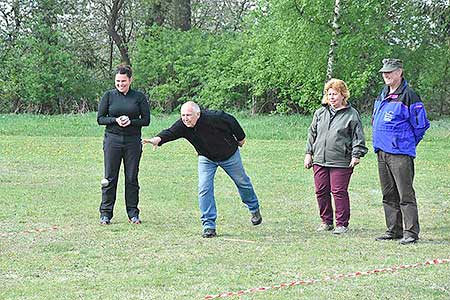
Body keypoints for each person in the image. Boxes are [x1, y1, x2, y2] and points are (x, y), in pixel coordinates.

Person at [143, 101, 262, 238]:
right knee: (204, 188)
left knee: (243, 182)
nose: (185, 118)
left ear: (198, 114)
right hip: (206, 158)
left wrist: (240, 138)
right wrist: (157, 139)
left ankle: (254, 209)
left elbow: (231, 121)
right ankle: (209, 226)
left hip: (229, 155)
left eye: (188, 115)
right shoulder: (183, 125)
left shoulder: (215, 118)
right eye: (183, 115)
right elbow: (170, 132)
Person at [372, 58, 430, 245]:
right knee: (388, 194)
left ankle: (410, 232)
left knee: (405, 194)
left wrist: (405, 143)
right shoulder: (382, 94)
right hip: (382, 151)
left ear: (399, 72)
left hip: (400, 153)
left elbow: (421, 125)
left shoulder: (409, 95)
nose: (386, 75)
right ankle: (393, 229)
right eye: (384, 72)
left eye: (390, 71)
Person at [304, 78, 367, 235]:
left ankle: (341, 224)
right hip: (319, 159)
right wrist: (308, 153)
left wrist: (356, 154)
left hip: (341, 160)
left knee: (339, 191)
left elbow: (357, 136)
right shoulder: (320, 113)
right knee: (321, 190)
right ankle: (326, 221)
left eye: (335, 94)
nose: (332, 97)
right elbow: (312, 134)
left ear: (343, 95)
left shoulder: (352, 115)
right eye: (329, 94)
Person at [97, 64, 150, 225]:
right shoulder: (108, 96)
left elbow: (146, 120)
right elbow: (100, 119)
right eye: (118, 81)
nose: (121, 84)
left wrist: (131, 122)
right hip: (112, 140)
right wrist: (115, 120)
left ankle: (133, 213)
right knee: (110, 178)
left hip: (132, 141)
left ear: (130, 80)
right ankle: (105, 214)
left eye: (124, 81)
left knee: (131, 177)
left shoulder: (139, 97)